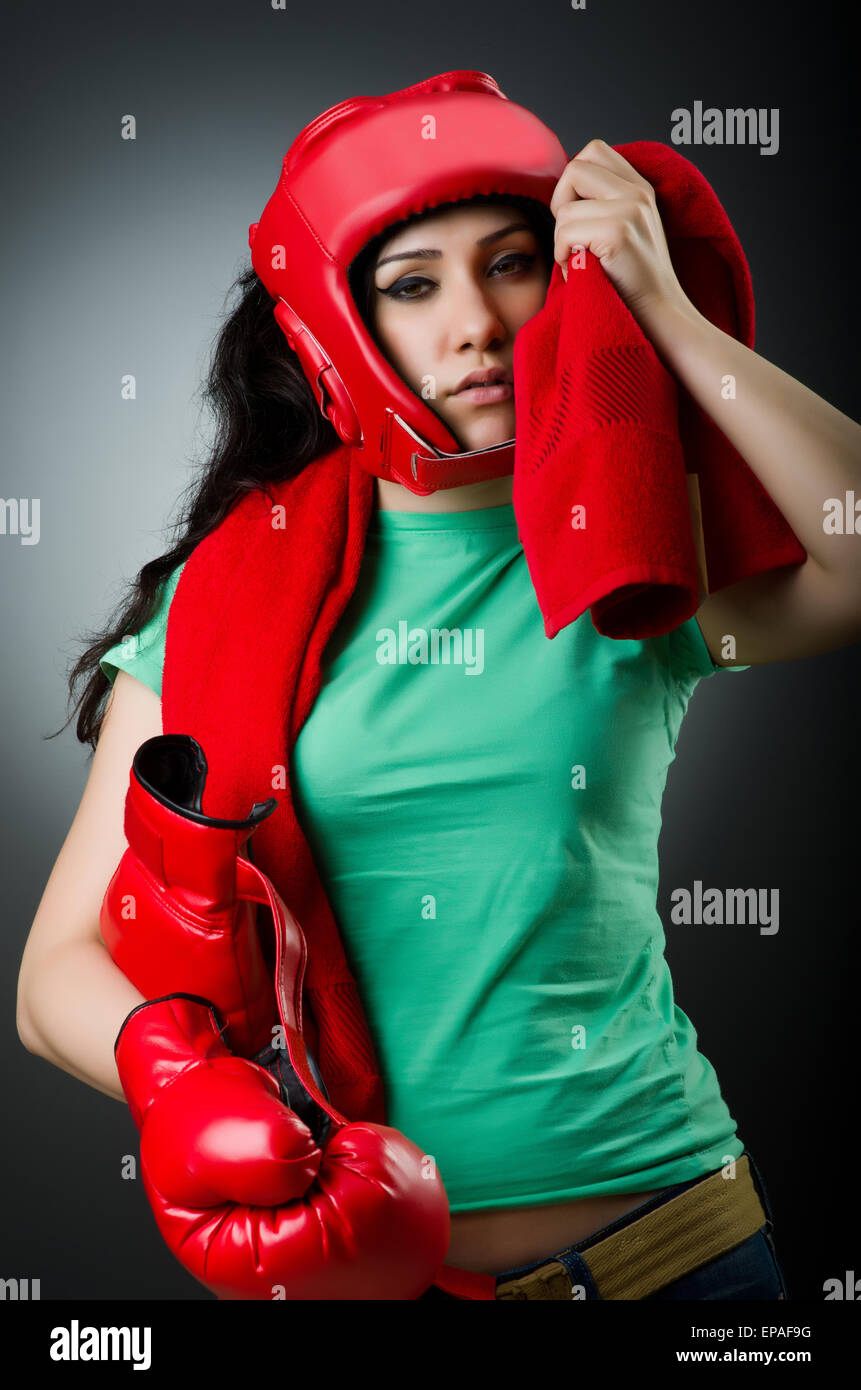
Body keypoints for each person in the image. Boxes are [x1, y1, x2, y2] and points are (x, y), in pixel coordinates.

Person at [17, 72, 861, 1302]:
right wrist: (180, 1077)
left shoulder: (626, 537)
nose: (476, 321)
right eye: (414, 284)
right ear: (330, 328)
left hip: (680, 1254)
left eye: (514, 264)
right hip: (376, 1280)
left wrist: (666, 313)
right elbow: (57, 975)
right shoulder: (219, 598)